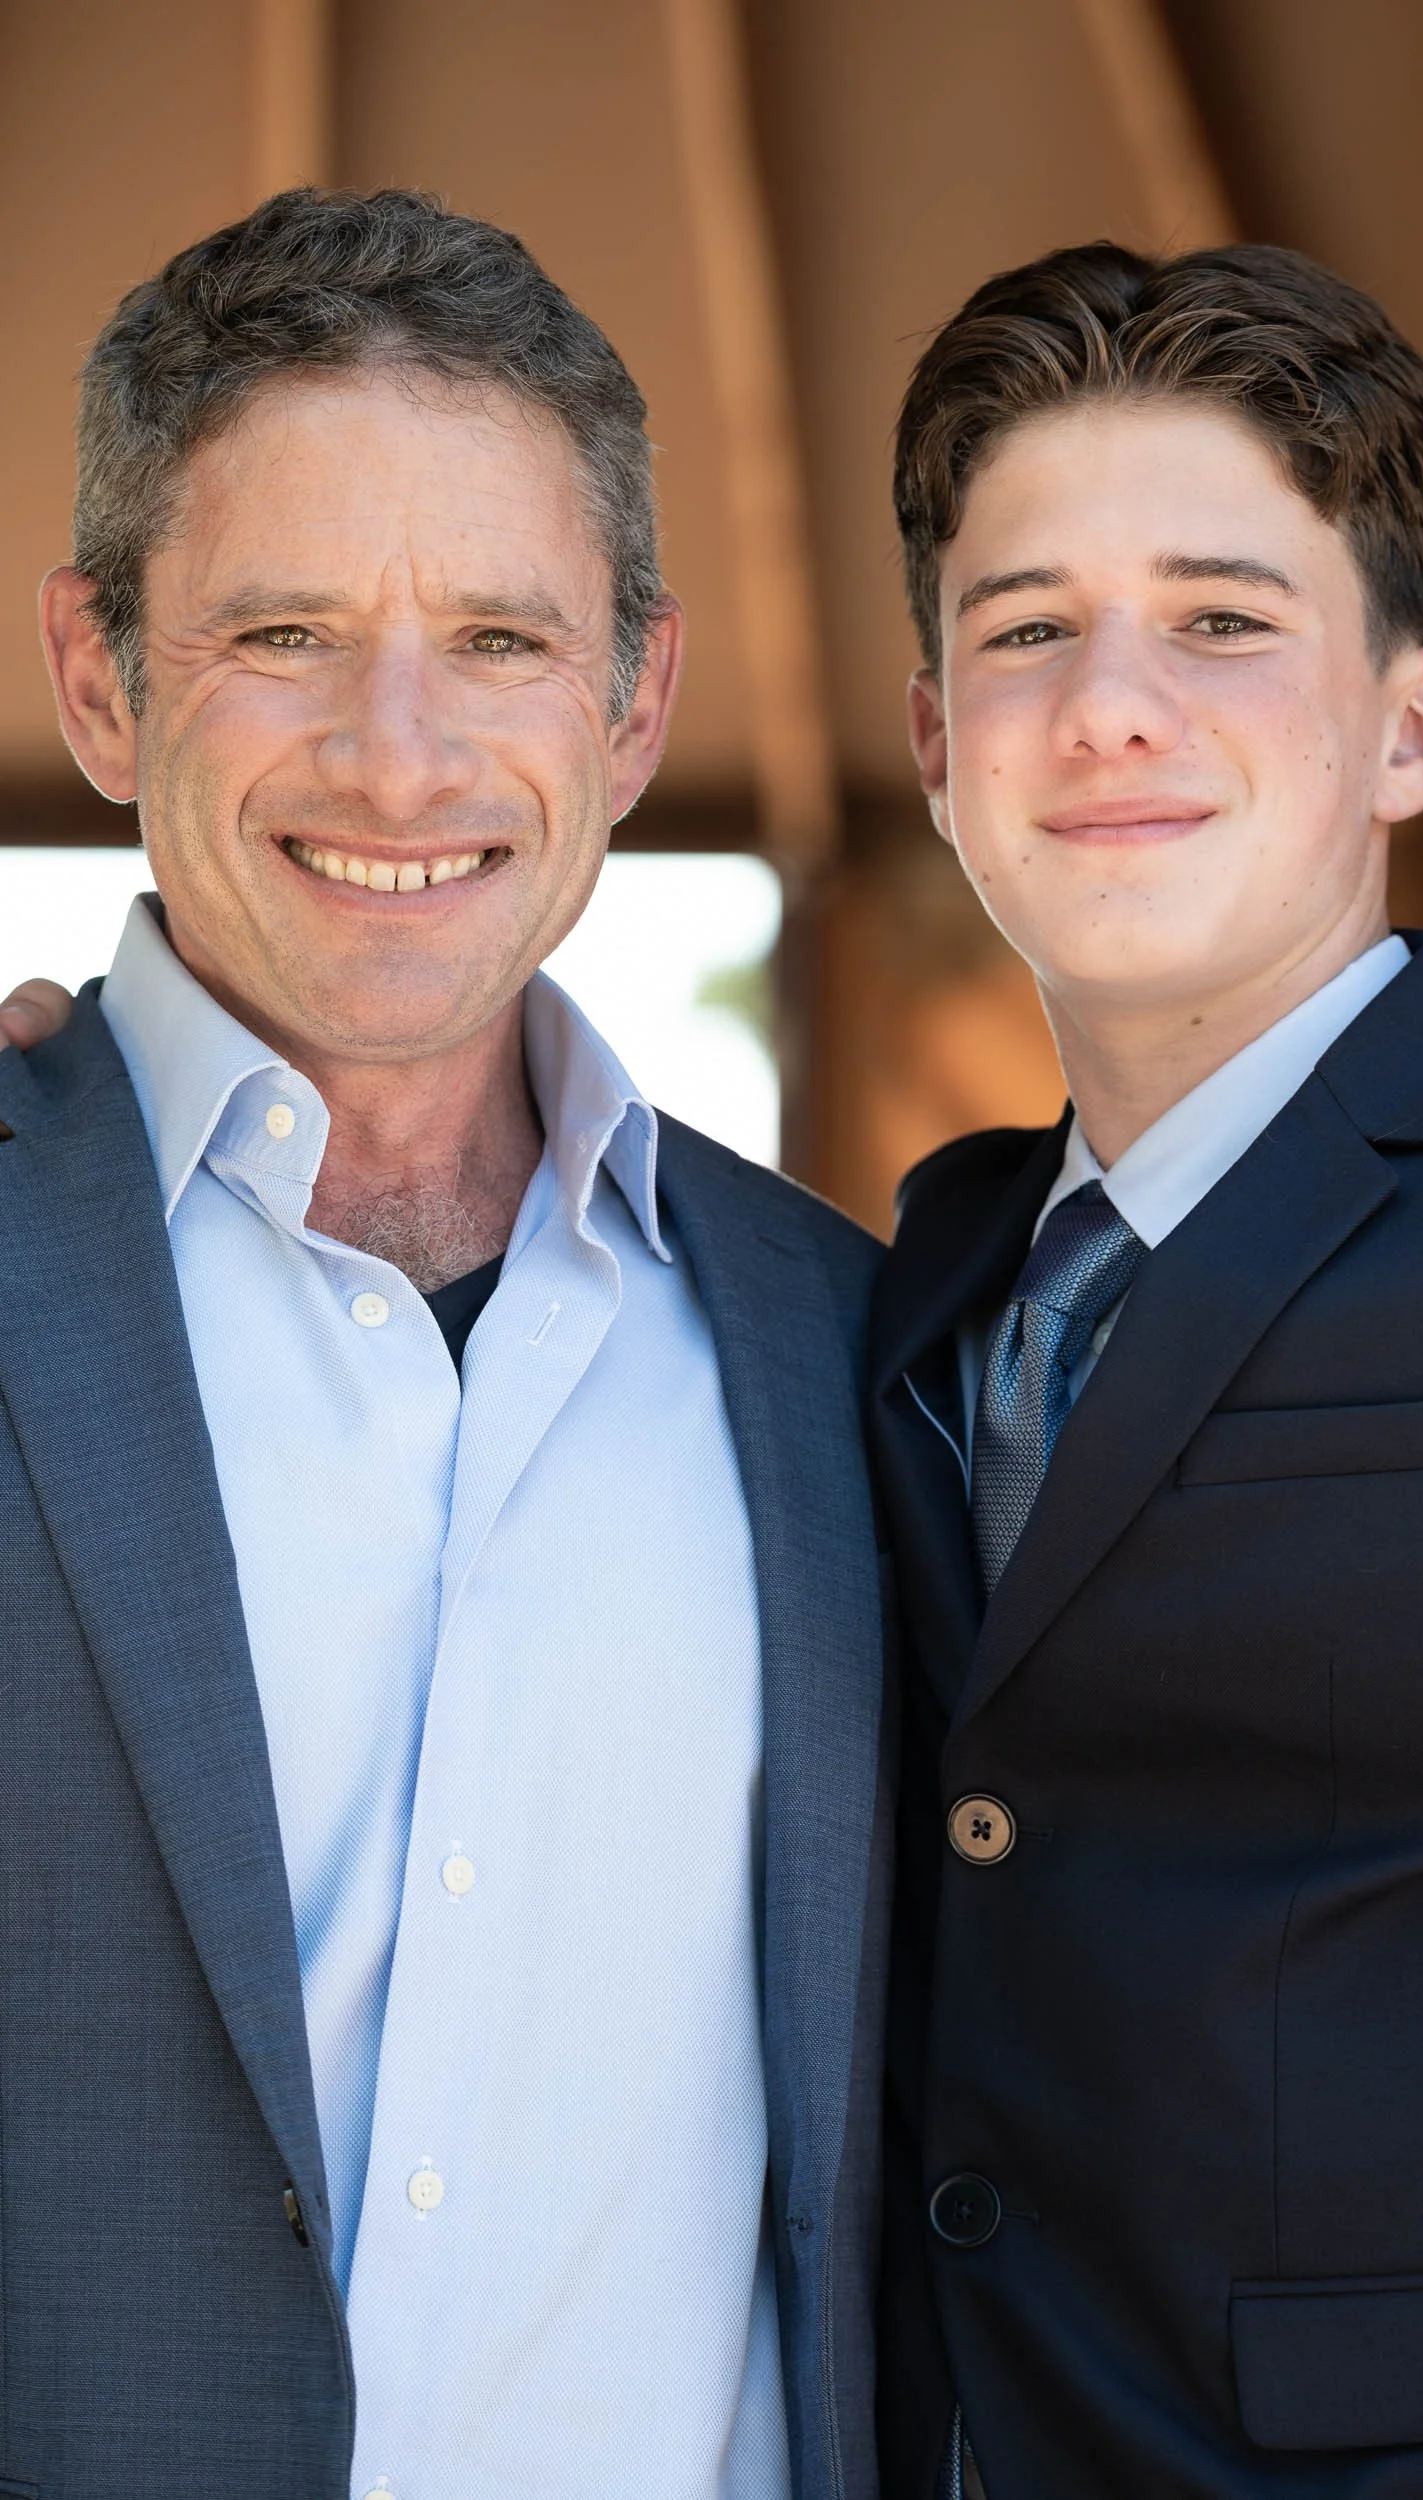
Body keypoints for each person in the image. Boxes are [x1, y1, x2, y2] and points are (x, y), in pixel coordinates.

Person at [0, 188, 887, 2500]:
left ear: (634, 702)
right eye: (284, 631)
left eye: (499, 638)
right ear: (100, 675)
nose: (399, 759)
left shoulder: (850, 1352)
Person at [870, 239, 1423, 2497]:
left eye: (1222, 620)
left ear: (1414, 723)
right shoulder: (913, 1272)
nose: (1107, 707)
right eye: (1026, 629)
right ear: (935, 749)